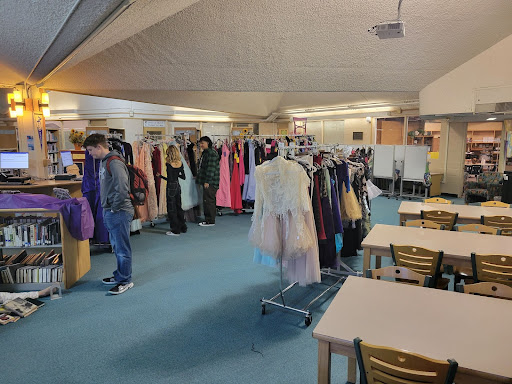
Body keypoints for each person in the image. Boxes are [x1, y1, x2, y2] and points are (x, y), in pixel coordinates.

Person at [83, 134, 134, 295]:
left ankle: (125, 280)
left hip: (118, 211)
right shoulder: (105, 162)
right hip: (111, 210)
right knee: (117, 246)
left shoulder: (115, 162)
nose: (90, 154)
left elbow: (122, 188)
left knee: (121, 248)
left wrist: (114, 208)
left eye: (91, 150)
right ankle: (120, 275)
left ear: (99, 146)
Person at [156, 145, 187, 236]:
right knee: (179, 207)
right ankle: (182, 227)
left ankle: (175, 230)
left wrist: (161, 177)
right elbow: (183, 177)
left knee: (172, 208)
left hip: (171, 187)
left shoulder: (168, 164)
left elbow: (170, 179)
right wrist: (177, 173)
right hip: (178, 186)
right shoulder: (180, 163)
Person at [196, 136, 220, 227]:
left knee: (209, 200)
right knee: (208, 200)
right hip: (208, 181)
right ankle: (209, 219)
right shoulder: (206, 153)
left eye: (202, 143)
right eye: (200, 143)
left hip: (210, 182)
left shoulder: (211, 153)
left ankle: (210, 221)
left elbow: (211, 168)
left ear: (208, 143)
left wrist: (207, 181)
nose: (201, 145)